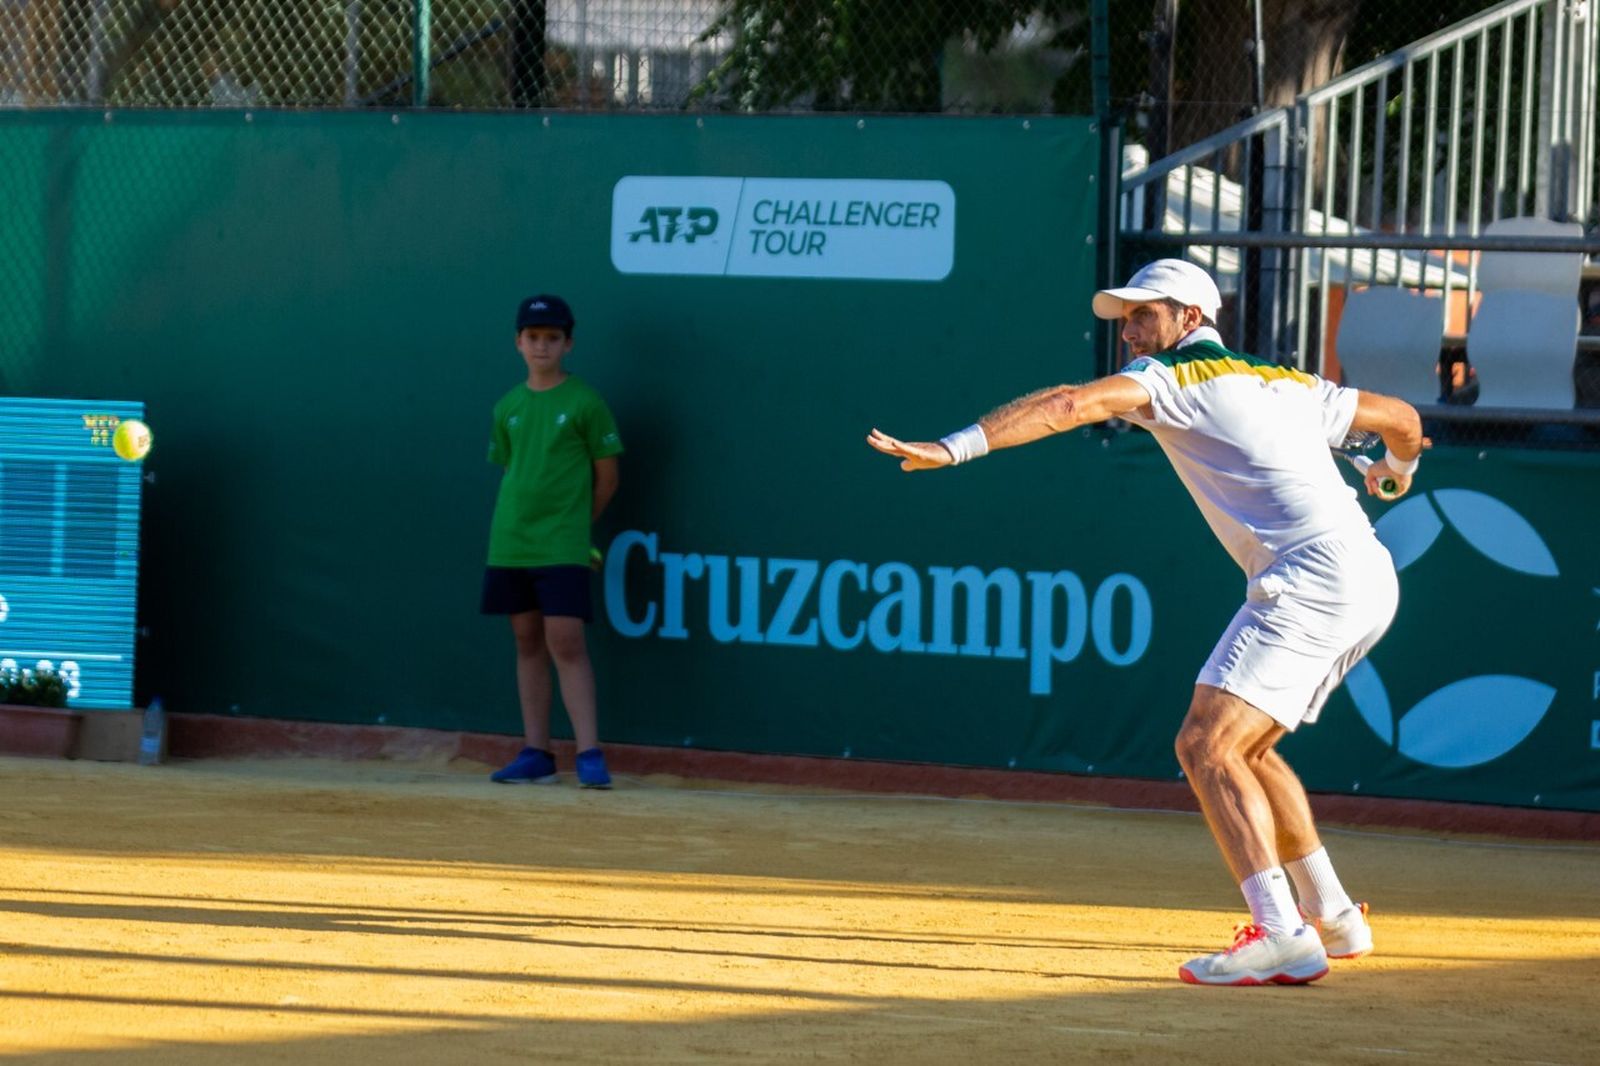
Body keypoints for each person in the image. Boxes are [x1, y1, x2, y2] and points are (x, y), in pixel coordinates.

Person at [867, 259, 1424, 986]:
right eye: (1124, 317)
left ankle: (1283, 934)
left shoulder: (1173, 380)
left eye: (1144, 314)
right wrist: (1395, 470)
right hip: (1366, 575)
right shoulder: (1289, 382)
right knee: (1247, 751)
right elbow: (1406, 421)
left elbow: (1069, 405)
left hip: (1312, 580)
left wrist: (953, 447)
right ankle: (1338, 917)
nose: (1129, 331)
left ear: (1190, 319)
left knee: (1205, 745)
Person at [482, 294, 623, 789]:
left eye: (552, 338)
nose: (542, 346)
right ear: (519, 343)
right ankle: (537, 752)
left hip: (564, 544)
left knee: (565, 641)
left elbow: (607, 478)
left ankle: (588, 753)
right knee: (526, 640)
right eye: (533, 338)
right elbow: (513, 471)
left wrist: (577, 529)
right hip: (511, 543)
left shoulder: (585, 403)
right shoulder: (508, 407)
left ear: (568, 344)